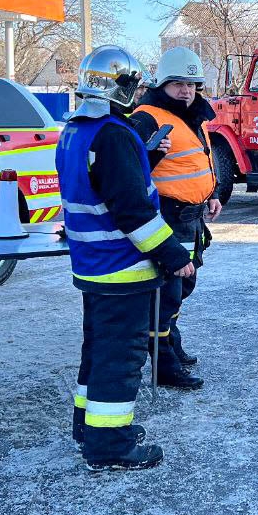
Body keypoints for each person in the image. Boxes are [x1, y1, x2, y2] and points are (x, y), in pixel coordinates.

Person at [57, 45, 194, 472]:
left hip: (93, 266)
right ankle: (111, 446)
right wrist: (173, 255)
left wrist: (144, 158)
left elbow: (99, 184)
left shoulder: (77, 129)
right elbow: (132, 209)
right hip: (122, 267)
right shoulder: (113, 133)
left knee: (97, 351)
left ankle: (89, 428)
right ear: (122, 86)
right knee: (121, 359)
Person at [130, 46, 221, 392]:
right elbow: (125, 171)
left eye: (192, 83)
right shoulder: (146, 116)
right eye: (178, 83)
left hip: (192, 219)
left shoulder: (193, 115)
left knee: (182, 288)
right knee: (165, 293)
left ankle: (171, 344)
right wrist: (150, 156)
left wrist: (211, 195)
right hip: (166, 216)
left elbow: (199, 161)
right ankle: (163, 362)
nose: (186, 90)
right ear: (162, 83)